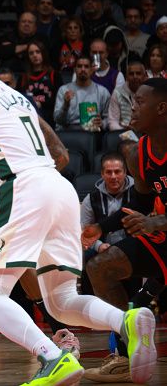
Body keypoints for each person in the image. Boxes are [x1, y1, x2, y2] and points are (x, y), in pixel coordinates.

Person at [0, 31, 156, 385]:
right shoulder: (14, 96)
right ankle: (126, 320)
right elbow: (61, 155)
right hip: (58, 187)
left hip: (22, 187)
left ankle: (52, 358)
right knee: (61, 300)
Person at [82, 78, 167, 383]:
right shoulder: (138, 153)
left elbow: (153, 218)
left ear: (161, 108)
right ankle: (125, 353)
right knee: (100, 266)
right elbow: (140, 206)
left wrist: (157, 222)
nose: (132, 106)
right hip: (163, 238)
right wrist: (99, 228)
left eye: (140, 102)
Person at [54, 55, 110, 131]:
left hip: (93, 132)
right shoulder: (64, 90)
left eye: (86, 66)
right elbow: (57, 120)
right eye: (79, 66)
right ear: (74, 69)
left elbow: (109, 119)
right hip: (69, 131)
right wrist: (65, 105)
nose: (83, 69)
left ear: (91, 70)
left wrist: (102, 123)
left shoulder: (102, 92)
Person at [108, 60, 146, 131]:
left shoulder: (149, 93)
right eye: (131, 74)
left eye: (138, 73)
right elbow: (112, 122)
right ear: (126, 77)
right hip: (124, 133)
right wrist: (124, 129)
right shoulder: (117, 93)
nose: (135, 77)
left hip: (145, 132)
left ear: (144, 76)